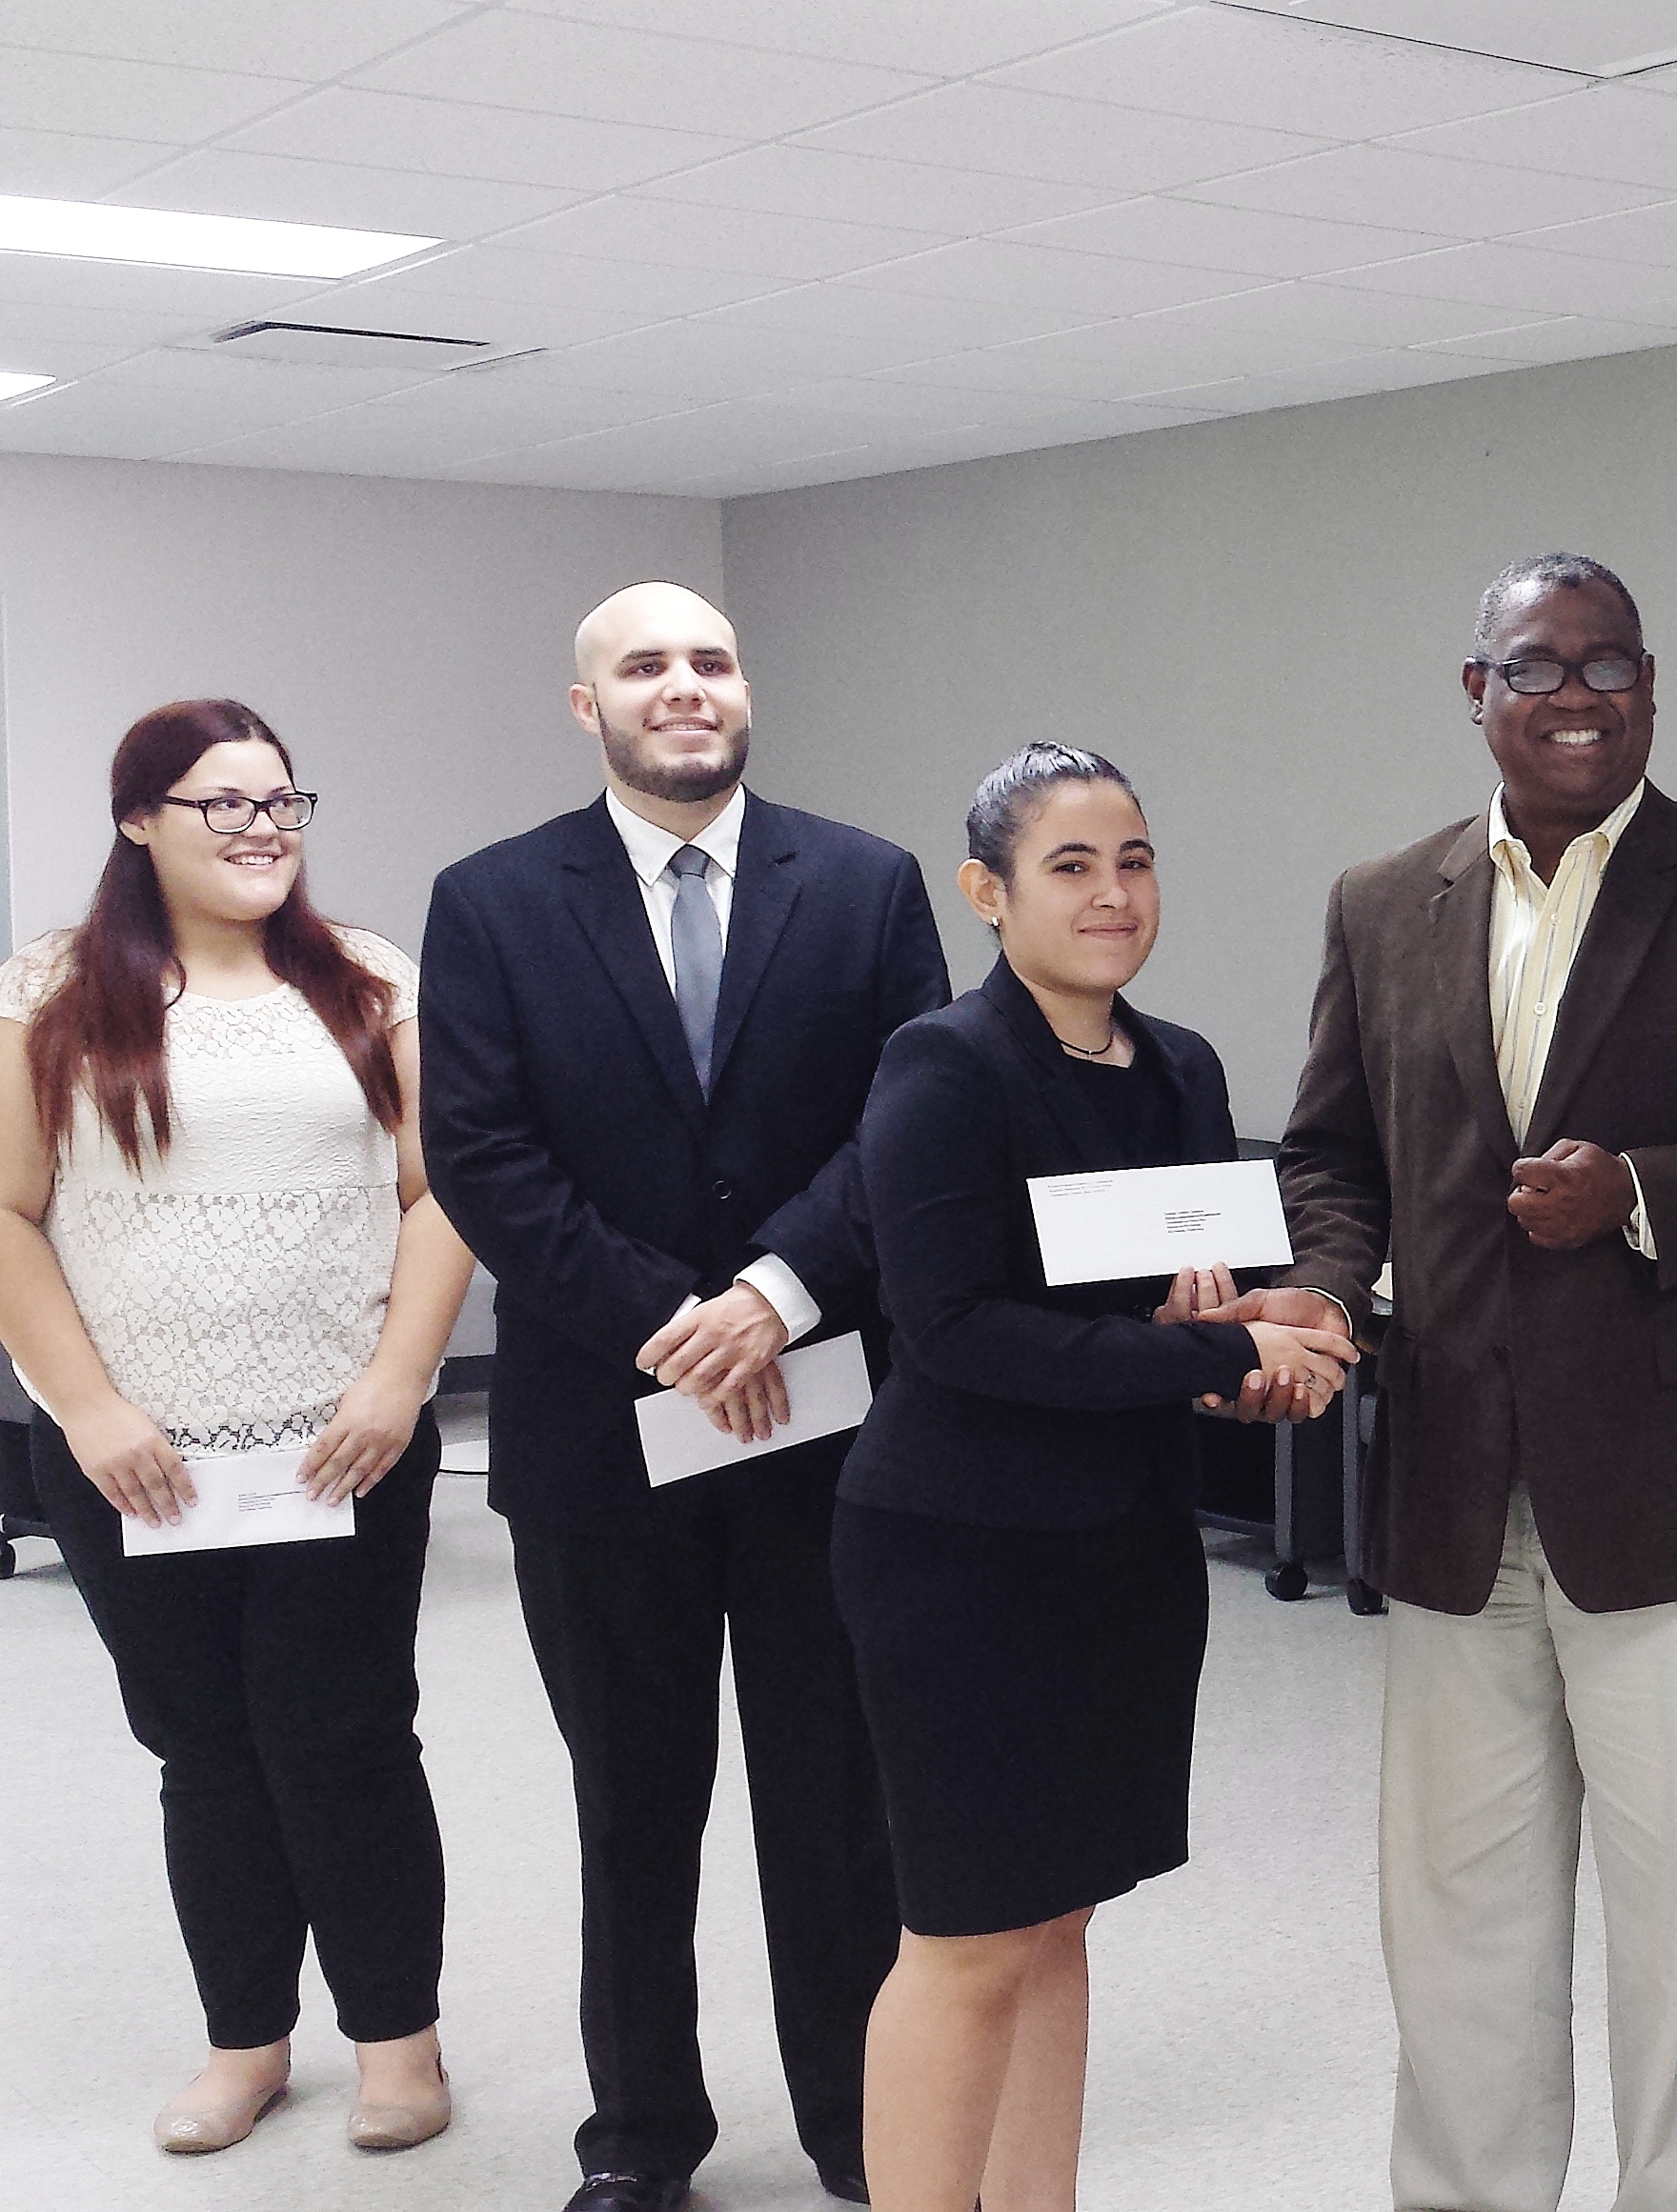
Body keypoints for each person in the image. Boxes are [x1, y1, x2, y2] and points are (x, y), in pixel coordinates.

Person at [1254, 552, 1677, 2212]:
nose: (1574, 694)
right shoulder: (1379, 900)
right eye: (1535, 666)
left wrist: (1643, 1193)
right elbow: (1331, 1152)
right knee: (1456, 1919)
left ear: (1649, 688)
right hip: (1453, 1487)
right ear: (1472, 693)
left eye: (1608, 663)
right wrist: (1330, 1291)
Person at [421, 581, 949, 2212]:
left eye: (710, 659)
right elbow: (483, 1159)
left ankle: (866, 2128)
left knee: (836, 1805)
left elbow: (906, 1125)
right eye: (643, 665)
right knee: (632, 1807)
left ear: (744, 686)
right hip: (603, 1437)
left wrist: (772, 1294)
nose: (683, 686)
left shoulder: (864, 886)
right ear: (587, 705)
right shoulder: (493, 900)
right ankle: (642, 2139)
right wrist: (678, 1320)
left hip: (828, 1426)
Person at [838, 747, 1353, 2212]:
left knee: (1060, 1918)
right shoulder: (942, 1063)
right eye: (1071, 866)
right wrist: (1203, 1347)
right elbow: (951, 1329)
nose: (1113, 893)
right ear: (988, 893)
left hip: (1122, 1549)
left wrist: (1260, 1352)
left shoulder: (1181, 1064)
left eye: (1133, 859)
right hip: (958, 1552)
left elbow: (1200, 1301)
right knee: (965, 1935)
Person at [0, 700, 472, 2159]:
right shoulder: (52, 990)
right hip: (139, 1464)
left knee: (346, 1738)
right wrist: (87, 1408)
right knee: (203, 1750)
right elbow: (10, 1214)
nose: (263, 825)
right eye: (223, 802)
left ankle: (399, 2040)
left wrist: (398, 1381)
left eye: (282, 800)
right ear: (139, 819)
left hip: (340, 1450)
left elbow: (442, 1193)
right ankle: (247, 2042)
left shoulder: (368, 978)